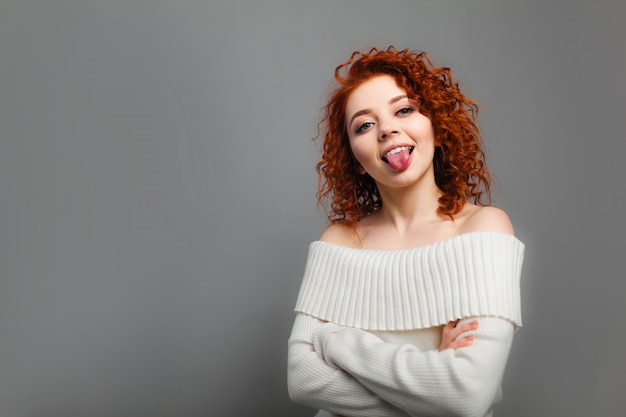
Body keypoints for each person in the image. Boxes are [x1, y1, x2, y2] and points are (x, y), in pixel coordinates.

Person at [287, 46, 525, 417]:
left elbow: (466, 395)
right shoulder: (339, 240)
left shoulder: (484, 227)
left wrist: (334, 341)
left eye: (403, 110)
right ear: (356, 160)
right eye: (365, 125)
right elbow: (301, 379)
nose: (387, 129)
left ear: (435, 125)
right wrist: (431, 387)